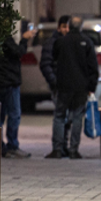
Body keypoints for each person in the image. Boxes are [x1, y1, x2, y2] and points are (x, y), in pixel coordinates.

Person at [45, 16, 99, 159]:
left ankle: (57, 149)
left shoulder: (60, 42)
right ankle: (73, 150)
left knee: (59, 116)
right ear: (81, 27)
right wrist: (92, 86)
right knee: (77, 117)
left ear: (69, 26)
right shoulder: (87, 42)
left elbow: (54, 58)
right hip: (81, 86)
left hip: (63, 85)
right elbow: (93, 67)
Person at [0, 24, 36, 158]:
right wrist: (24, 39)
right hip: (9, 81)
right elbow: (18, 52)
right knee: (14, 114)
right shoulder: (4, 39)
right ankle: (12, 145)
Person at [39, 15, 71, 156]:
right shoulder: (52, 43)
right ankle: (58, 148)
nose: (66, 30)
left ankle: (62, 147)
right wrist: (54, 82)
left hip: (68, 85)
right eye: (64, 27)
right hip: (59, 86)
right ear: (58, 28)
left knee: (66, 117)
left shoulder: (68, 42)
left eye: (68, 27)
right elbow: (45, 64)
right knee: (61, 116)